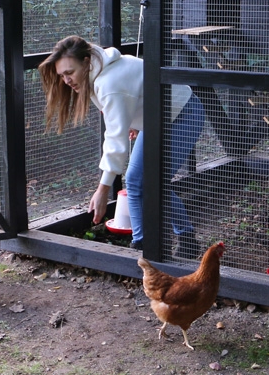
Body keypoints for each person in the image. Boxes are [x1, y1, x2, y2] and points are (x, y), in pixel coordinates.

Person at [39, 35, 205, 259]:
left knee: (152, 181)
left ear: (87, 61)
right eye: (62, 75)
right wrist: (135, 120)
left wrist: (102, 190)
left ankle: (182, 239)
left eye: (70, 72)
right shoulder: (99, 70)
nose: (66, 80)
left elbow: (115, 139)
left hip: (182, 113)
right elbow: (135, 94)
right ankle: (142, 246)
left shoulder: (109, 83)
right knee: (136, 180)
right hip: (154, 118)